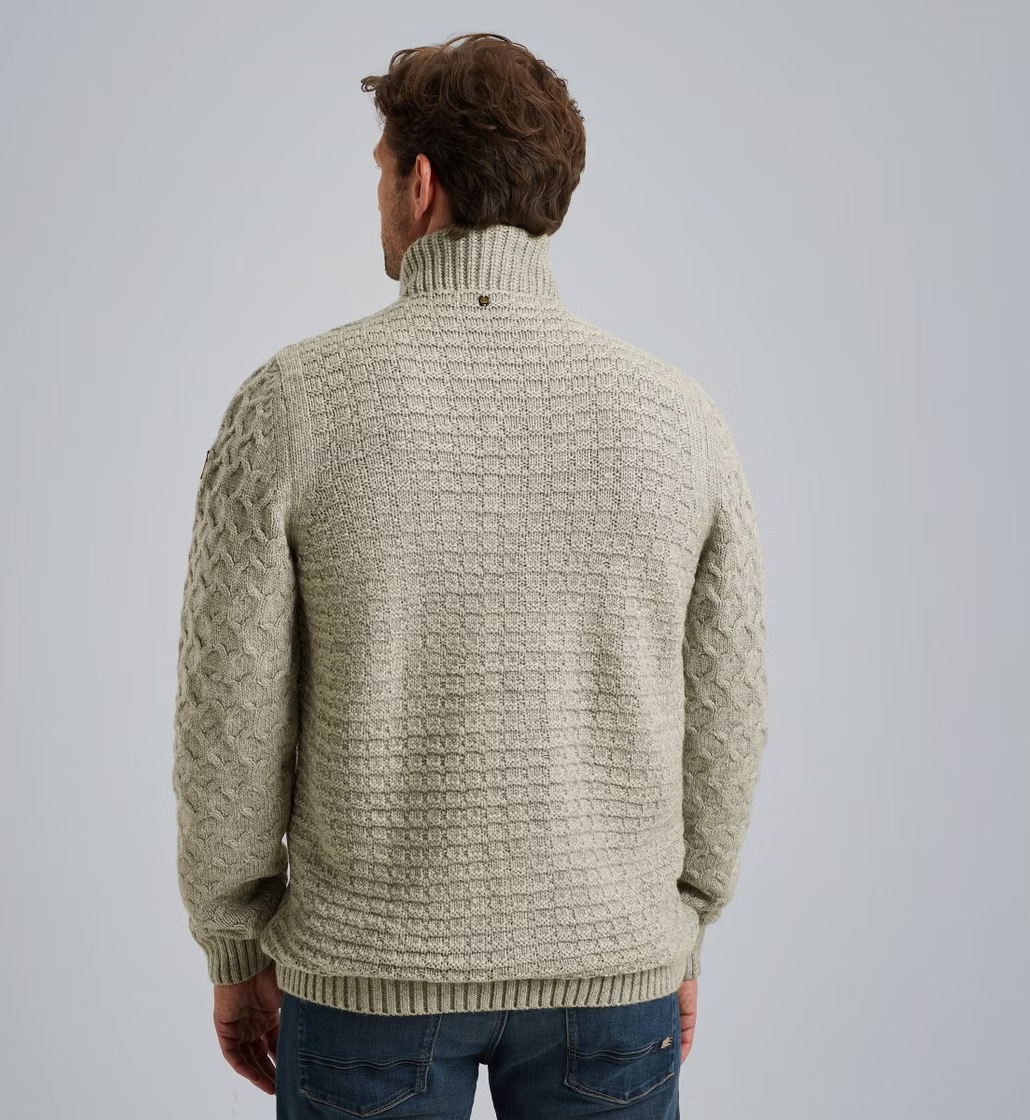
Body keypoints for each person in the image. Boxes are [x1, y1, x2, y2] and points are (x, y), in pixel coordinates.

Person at [171, 31, 768, 1120]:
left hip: (366, 978)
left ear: (420, 183)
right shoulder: (681, 421)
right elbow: (727, 709)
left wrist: (233, 938)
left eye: (380, 172)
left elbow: (230, 711)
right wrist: (683, 921)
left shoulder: (292, 404)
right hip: (612, 971)